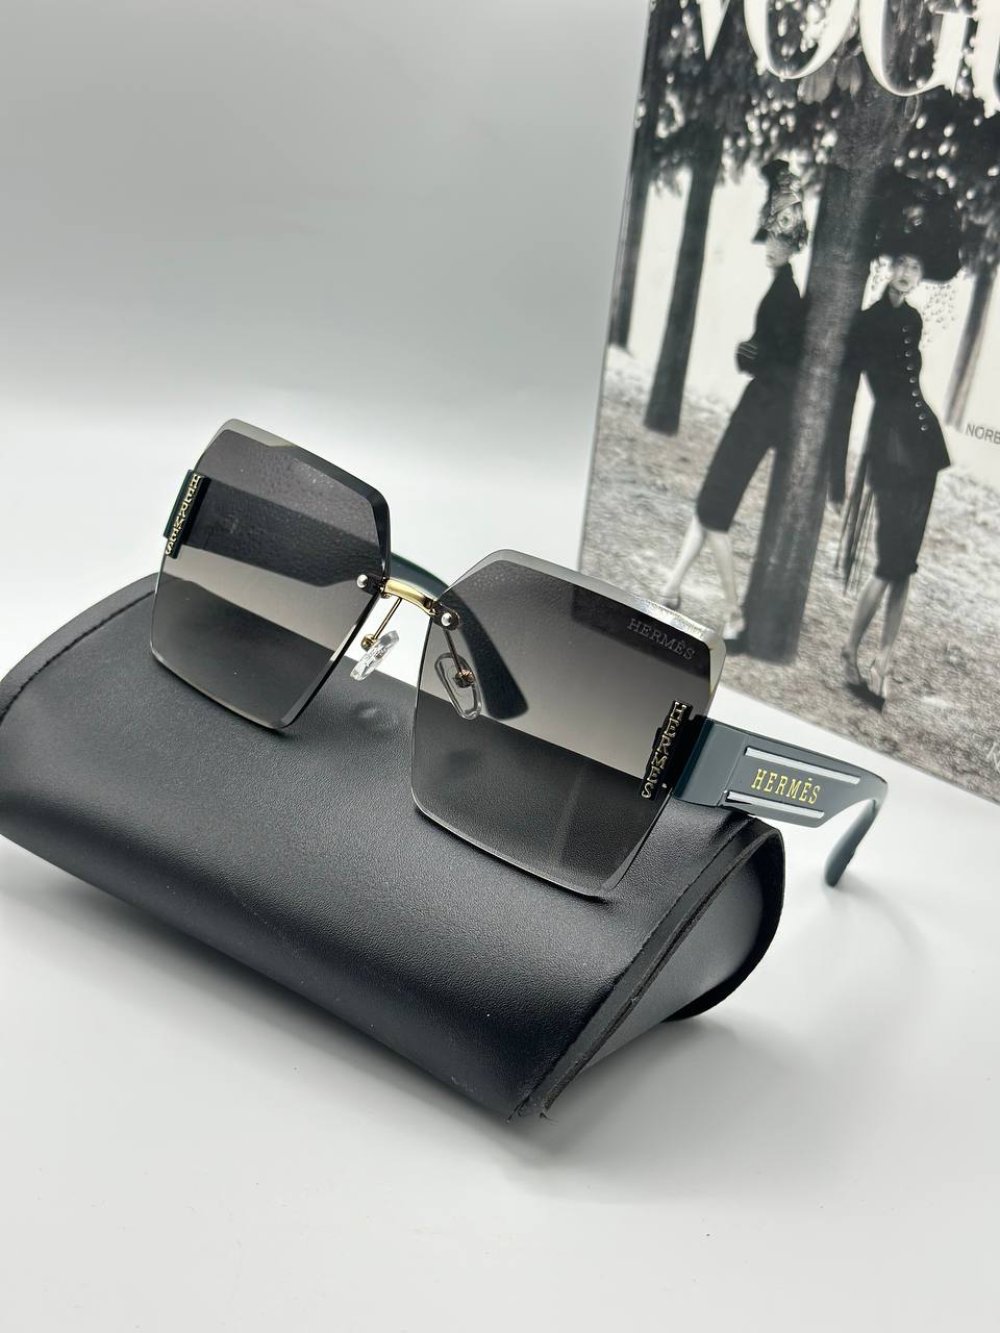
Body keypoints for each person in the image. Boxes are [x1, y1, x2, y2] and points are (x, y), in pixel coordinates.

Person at [661, 160, 808, 641]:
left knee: (714, 512)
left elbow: (785, 362)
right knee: (708, 503)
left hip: (764, 412)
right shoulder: (782, 290)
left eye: (778, 240)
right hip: (757, 407)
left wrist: (751, 356)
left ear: (793, 244)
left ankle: (734, 612)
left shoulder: (787, 295)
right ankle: (671, 589)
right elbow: (773, 352)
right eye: (769, 239)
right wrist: (753, 354)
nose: (771, 246)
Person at [832, 179, 961, 708]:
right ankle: (849, 651)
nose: (908, 273)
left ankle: (884, 662)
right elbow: (853, 389)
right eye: (902, 263)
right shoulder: (868, 322)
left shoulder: (913, 317)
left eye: (915, 267)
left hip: (924, 450)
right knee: (890, 562)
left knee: (906, 562)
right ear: (888, 266)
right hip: (888, 449)